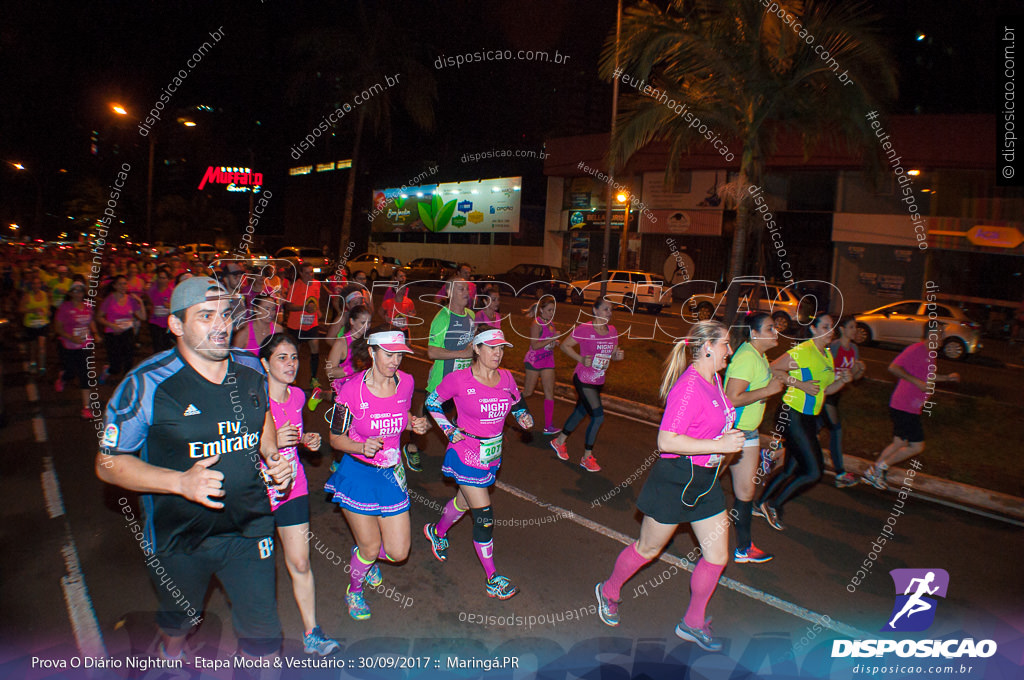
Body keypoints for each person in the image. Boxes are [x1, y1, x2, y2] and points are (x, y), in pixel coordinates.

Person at [94, 276, 294, 662]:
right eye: (205, 316)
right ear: (176, 325)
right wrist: (180, 482)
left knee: (265, 635)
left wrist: (271, 455)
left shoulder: (251, 368)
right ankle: (172, 652)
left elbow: (263, 414)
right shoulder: (146, 384)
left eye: (225, 315)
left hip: (249, 527)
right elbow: (107, 463)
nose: (221, 325)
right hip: (178, 537)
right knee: (180, 620)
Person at [594, 321, 743, 652]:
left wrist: (728, 443)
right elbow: (666, 441)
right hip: (676, 478)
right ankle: (609, 591)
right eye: (726, 345)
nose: (729, 351)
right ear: (706, 347)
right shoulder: (689, 387)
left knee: (717, 557)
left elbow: (710, 427)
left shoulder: (715, 379)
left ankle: (692, 622)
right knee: (648, 549)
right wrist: (720, 445)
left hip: (705, 482)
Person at [325, 331, 431, 619]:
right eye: (388, 354)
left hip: (391, 474)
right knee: (371, 547)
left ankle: (363, 555)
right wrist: (361, 445)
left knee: (398, 552)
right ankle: (354, 590)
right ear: (371, 352)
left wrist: (415, 424)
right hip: (359, 473)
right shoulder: (350, 390)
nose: (395, 361)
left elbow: (402, 413)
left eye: (399, 355)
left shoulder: (406, 382)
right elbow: (335, 438)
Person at [422, 329, 533, 600]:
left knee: (463, 502)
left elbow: (517, 403)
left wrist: (523, 416)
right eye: (492, 348)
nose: (498, 353)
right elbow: (432, 402)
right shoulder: (458, 380)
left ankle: (436, 532)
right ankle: (492, 578)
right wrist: (448, 429)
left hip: (491, 454)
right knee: (484, 515)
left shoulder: (506, 378)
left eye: (502, 349)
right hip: (465, 452)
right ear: (476, 349)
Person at [258, 333, 340, 655]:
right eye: (282, 357)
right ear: (265, 363)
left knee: (300, 563)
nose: (291, 364)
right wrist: (271, 440)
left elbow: (294, 435)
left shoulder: (297, 397)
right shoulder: (252, 400)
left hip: (292, 487)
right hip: (257, 493)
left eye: (294, 357)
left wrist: (306, 441)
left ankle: (312, 632)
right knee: (260, 570)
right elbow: (236, 449)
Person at [755, 315, 853, 530]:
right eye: (825, 327)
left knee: (791, 467)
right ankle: (773, 504)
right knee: (814, 471)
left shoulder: (826, 354)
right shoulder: (803, 351)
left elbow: (825, 390)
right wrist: (799, 384)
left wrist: (842, 381)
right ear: (813, 329)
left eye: (832, 327)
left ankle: (760, 502)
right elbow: (773, 368)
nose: (830, 331)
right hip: (793, 413)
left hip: (809, 416)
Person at [861, 327, 959, 490]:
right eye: (941, 334)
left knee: (898, 442)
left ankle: (873, 472)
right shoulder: (916, 349)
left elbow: (928, 376)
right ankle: (880, 467)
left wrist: (947, 378)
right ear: (931, 335)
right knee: (916, 446)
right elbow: (893, 367)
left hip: (909, 407)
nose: (943, 339)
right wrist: (915, 382)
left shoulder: (930, 354)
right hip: (904, 405)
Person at [723, 313, 784, 564]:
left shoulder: (759, 355)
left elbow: (767, 378)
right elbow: (732, 397)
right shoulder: (747, 358)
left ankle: (744, 548)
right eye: (770, 328)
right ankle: (663, 522)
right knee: (702, 484)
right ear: (755, 333)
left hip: (749, 433)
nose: (776, 331)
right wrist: (767, 391)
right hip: (731, 432)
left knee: (746, 490)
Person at [550, 297, 624, 472]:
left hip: (599, 380)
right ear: (595, 310)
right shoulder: (585, 329)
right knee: (598, 417)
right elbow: (565, 346)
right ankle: (586, 457)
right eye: (606, 309)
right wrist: (581, 359)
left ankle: (559, 441)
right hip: (583, 378)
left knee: (581, 411)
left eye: (611, 310)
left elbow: (612, 354)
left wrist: (617, 356)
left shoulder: (612, 331)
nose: (609, 313)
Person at [410, 276, 476, 472]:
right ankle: (411, 446)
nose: (466, 293)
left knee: (466, 418)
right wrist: (461, 353)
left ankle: (462, 457)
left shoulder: (471, 315)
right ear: (449, 293)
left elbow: (472, 347)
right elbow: (432, 351)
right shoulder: (442, 318)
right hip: (443, 382)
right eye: (461, 289)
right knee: (428, 422)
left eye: (467, 289)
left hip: (464, 381)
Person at [823, 317, 867, 488]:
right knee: (836, 430)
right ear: (841, 329)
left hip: (837, 394)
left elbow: (853, 378)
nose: (854, 330)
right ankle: (840, 473)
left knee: (813, 433)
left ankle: (776, 456)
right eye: (851, 327)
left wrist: (859, 370)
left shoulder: (854, 349)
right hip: (826, 395)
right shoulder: (834, 347)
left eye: (855, 327)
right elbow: (825, 370)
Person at [53, 280, 97, 419]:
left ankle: (86, 407)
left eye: (81, 290)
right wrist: (71, 337)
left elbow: (91, 321)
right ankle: (63, 377)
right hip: (68, 345)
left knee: (85, 374)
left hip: (84, 344)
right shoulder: (64, 307)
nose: (79, 293)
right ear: (71, 293)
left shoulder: (88, 306)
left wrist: (96, 333)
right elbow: (58, 328)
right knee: (71, 372)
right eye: (76, 290)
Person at [97, 275, 147, 383]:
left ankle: (126, 384)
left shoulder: (131, 300)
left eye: (125, 283)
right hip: (112, 334)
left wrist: (141, 302)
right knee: (116, 366)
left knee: (129, 361)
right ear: (114, 286)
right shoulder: (109, 299)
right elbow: (99, 317)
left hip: (127, 333)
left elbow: (143, 317)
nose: (123, 286)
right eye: (120, 284)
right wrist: (111, 325)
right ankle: (108, 370)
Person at [522, 298, 561, 435]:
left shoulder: (551, 324)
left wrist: (555, 342)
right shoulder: (536, 324)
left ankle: (548, 426)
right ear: (542, 310)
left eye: (553, 310)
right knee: (528, 392)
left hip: (548, 361)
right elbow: (535, 345)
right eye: (549, 310)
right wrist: (551, 339)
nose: (552, 313)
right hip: (534, 361)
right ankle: (510, 404)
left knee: (550, 393)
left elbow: (548, 342)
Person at [284, 263, 323, 390]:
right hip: (296, 325)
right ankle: (292, 378)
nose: (310, 275)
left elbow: (316, 301)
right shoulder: (295, 286)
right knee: (295, 353)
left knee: (315, 350)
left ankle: (314, 378)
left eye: (311, 272)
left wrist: (318, 310)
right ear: (300, 273)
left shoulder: (317, 284)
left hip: (312, 323)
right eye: (306, 272)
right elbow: (288, 306)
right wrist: (303, 308)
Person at [20, 274, 51, 375]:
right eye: (34, 283)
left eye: (38, 283)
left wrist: (48, 312)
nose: (36, 285)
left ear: (41, 284)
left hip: (43, 324)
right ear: (31, 285)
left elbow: (48, 308)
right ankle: (33, 362)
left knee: (42, 346)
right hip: (31, 325)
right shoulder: (27, 295)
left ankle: (42, 367)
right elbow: (20, 309)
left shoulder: (45, 294)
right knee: (33, 346)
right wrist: (32, 310)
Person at [378, 269, 416, 336]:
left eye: (404, 276)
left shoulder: (406, 289)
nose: (403, 278)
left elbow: (408, 308)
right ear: (395, 278)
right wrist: (385, 317)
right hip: (392, 325)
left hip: (402, 324)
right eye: (401, 276)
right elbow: (384, 307)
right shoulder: (390, 290)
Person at [147, 266, 175, 354]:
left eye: (164, 278)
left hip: (167, 323)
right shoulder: (152, 291)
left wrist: (170, 306)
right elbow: (148, 304)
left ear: (168, 279)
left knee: (166, 345)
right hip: (154, 321)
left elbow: (176, 307)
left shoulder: (171, 291)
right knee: (157, 345)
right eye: (160, 278)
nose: (161, 280)